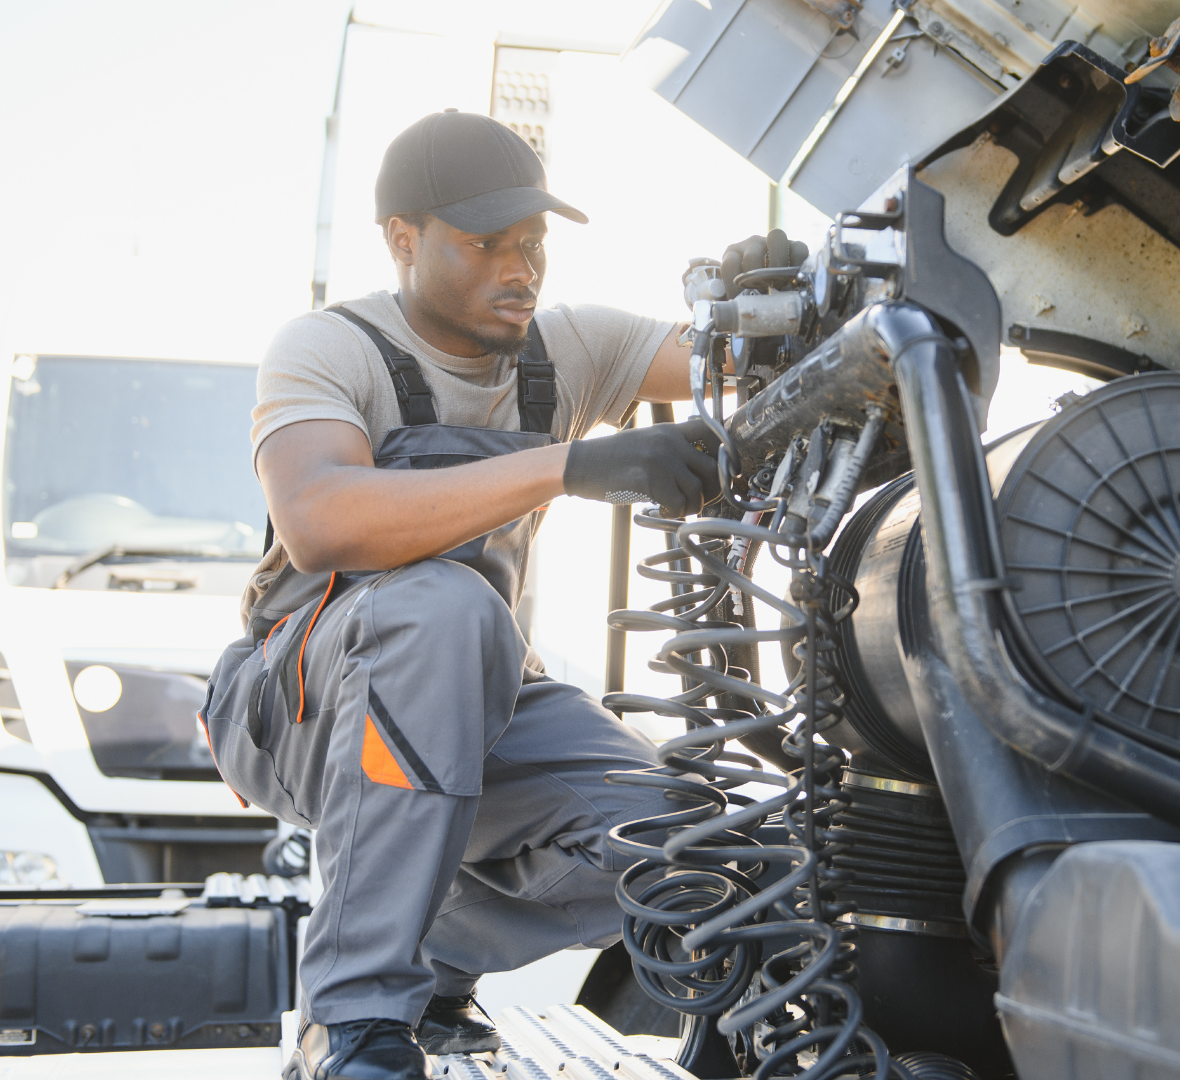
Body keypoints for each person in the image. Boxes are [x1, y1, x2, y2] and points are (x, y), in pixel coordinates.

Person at [203, 110, 787, 1080]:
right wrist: (570, 464)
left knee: (697, 845)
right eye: (484, 246)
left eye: (533, 245)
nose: (519, 269)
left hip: (478, 698)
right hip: (296, 704)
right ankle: (351, 1025)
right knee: (445, 607)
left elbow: (739, 367)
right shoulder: (327, 347)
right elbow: (322, 518)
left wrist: (776, 310)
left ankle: (430, 957)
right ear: (404, 240)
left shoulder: (569, 350)